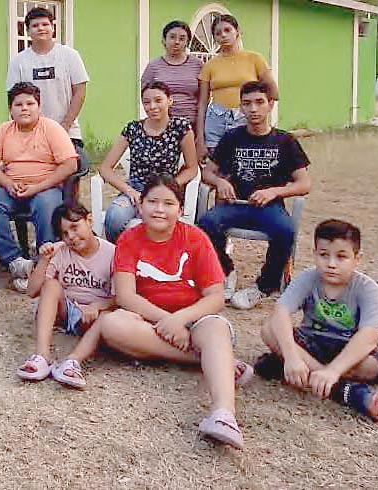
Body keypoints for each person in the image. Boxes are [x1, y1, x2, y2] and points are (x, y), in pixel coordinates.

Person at [99, 174, 254, 450]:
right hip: (150, 323)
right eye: (153, 202)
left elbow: (215, 297)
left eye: (168, 203)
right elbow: (125, 295)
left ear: (180, 210)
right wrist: (167, 322)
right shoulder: (128, 239)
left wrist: (180, 320)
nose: (160, 209)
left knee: (216, 329)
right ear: (140, 206)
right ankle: (216, 361)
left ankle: (224, 415)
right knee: (112, 325)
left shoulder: (196, 238)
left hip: (195, 318)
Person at [255, 219, 378, 421]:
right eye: (324, 255)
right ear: (315, 254)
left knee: (373, 367)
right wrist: (291, 356)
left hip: (346, 349)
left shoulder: (368, 289)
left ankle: (303, 371)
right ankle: (344, 390)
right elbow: (281, 312)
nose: (331, 264)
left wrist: (334, 370)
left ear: (357, 258)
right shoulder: (308, 278)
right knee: (268, 329)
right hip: (310, 343)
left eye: (341, 257)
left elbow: (368, 336)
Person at [198, 81, 311, 309]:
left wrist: (274, 191)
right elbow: (207, 173)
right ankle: (225, 272)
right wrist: (220, 182)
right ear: (241, 107)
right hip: (235, 204)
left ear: (270, 105)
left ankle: (264, 286)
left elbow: (304, 183)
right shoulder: (232, 138)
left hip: (268, 207)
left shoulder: (285, 141)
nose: (253, 109)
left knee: (285, 230)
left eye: (259, 102)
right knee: (206, 223)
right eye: (247, 103)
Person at [0, 83, 78, 292]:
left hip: (44, 187)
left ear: (39, 107)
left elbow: (70, 164)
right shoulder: (3, 131)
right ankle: (16, 261)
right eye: (18, 104)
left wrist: (37, 187)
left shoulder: (51, 128)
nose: (24, 108)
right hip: (12, 189)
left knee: (47, 203)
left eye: (30, 103)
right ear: (11, 110)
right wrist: (7, 183)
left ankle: (44, 263)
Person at [16, 204, 115, 389]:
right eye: (64, 233)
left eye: (75, 227)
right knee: (51, 285)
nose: (71, 237)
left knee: (111, 317)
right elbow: (31, 291)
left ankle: (73, 363)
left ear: (89, 220)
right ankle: (42, 356)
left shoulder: (112, 254)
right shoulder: (60, 251)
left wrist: (98, 306)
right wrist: (44, 260)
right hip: (67, 308)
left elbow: (120, 297)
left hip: (96, 314)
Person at [99, 81, 198, 242]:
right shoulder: (133, 129)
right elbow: (105, 168)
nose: (152, 106)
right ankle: (120, 257)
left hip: (166, 189)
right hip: (136, 189)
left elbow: (192, 168)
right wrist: (129, 191)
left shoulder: (180, 127)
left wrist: (172, 185)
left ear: (170, 101)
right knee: (115, 217)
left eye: (158, 100)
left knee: (163, 224)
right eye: (146, 102)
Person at [6, 7, 89, 156]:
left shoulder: (70, 56)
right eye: (35, 25)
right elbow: (13, 99)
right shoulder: (18, 61)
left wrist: (65, 125)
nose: (41, 29)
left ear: (53, 28)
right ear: (28, 31)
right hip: (30, 135)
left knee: (70, 173)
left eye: (45, 24)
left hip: (68, 133)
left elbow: (80, 91)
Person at [195, 14, 278, 159]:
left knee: (245, 159)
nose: (224, 35)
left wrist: (260, 112)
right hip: (216, 118)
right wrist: (200, 138)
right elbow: (202, 102)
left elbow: (274, 93)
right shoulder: (209, 65)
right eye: (218, 33)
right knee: (217, 163)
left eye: (228, 30)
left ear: (237, 31)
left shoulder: (254, 59)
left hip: (244, 116)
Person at [141, 20, 204, 127]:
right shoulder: (153, 66)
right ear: (164, 40)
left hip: (191, 124)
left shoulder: (198, 65)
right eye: (172, 37)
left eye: (182, 39)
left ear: (187, 42)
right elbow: (146, 97)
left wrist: (200, 129)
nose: (177, 42)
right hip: (161, 125)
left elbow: (203, 99)